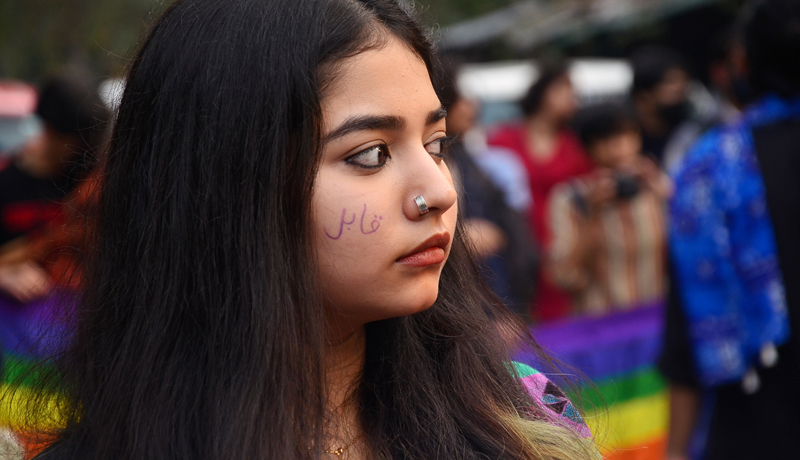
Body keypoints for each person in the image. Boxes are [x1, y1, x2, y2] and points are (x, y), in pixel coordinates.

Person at [8, 1, 600, 459]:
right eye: (370, 154)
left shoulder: (526, 421)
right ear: (225, 187)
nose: (440, 192)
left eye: (436, 143)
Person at [660, 0, 800, 458]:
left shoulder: (710, 167)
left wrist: (677, 449)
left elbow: (689, 324)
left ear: (743, 63)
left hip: (761, 417)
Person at [488, 64, 594, 321]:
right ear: (543, 91)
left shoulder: (575, 145)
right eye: (564, 90)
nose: (572, 99)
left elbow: (585, 200)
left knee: (556, 319)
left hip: (560, 248)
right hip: (517, 244)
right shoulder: (503, 139)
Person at [437, 60, 538, 317]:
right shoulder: (430, 163)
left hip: (491, 301)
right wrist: (458, 241)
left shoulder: (467, 161)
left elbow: (504, 232)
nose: (472, 106)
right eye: (462, 97)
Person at [547, 104, 670, 315]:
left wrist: (664, 194)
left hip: (656, 317)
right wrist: (591, 215)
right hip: (601, 325)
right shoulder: (571, 198)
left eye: (627, 135)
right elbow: (564, 276)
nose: (618, 146)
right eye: (606, 139)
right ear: (589, 147)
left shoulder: (655, 188)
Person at [0, 71, 108, 302]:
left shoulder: (86, 185)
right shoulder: (6, 183)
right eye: (79, 143)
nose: (87, 153)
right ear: (50, 131)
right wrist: (4, 276)